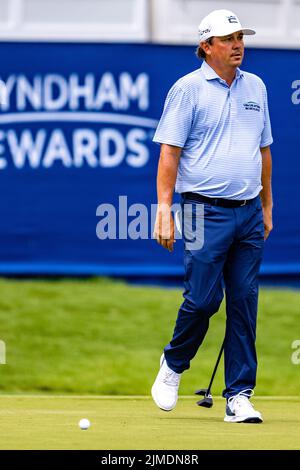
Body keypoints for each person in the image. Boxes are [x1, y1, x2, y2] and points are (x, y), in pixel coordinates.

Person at [151, 9, 273, 423]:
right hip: (204, 212)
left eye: (240, 36)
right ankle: (174, 364)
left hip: (250, 212)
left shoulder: (255, 86)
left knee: (244, 303)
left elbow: (264, 151)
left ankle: (239, 395)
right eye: (228, 38)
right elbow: (170, 152)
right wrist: (164, 211)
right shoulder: (187, 89)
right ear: (206, 46)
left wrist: (267, 205)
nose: (238, 44)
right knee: (203, 301)